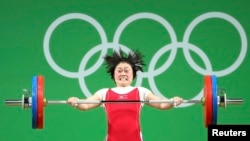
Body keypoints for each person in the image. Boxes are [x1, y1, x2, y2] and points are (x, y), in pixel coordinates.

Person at [67, 49, 183, 141]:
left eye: (127, 70)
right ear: (114, 74)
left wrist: (172, 101)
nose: (123, 73)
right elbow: (86, 105)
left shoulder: (141, 91)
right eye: (119, 70)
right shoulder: (104, 93)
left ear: (133, 74)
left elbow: (161, 104)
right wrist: (76, 101)